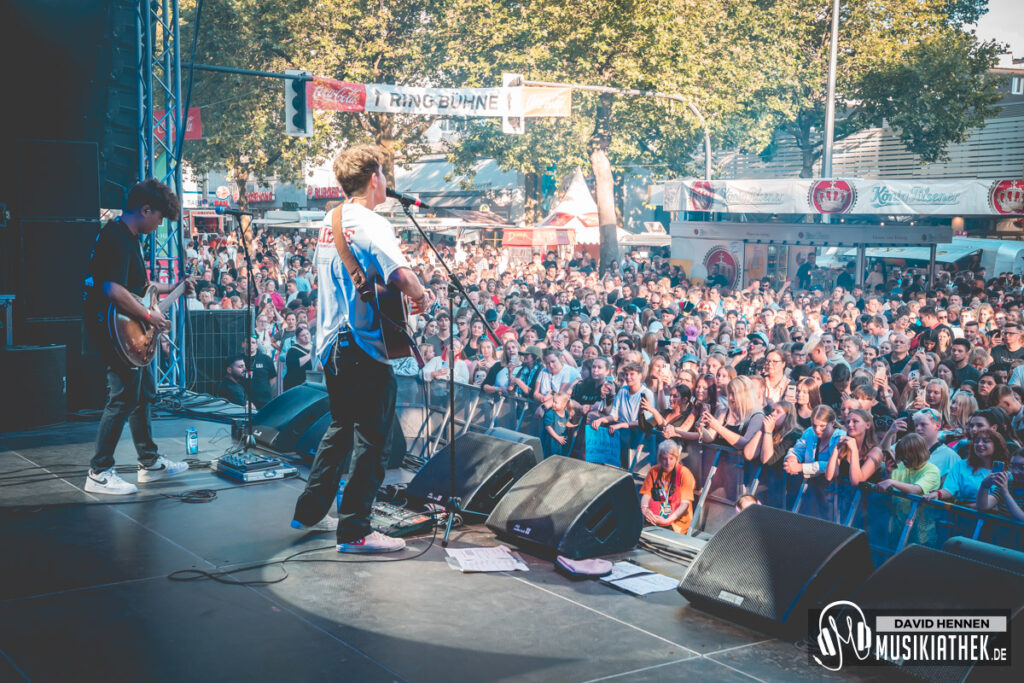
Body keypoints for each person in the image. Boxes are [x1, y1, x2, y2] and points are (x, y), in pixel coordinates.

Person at [291, 144, 432, 553]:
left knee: (340, 429)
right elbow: (401, 275)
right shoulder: (372, 223)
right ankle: (355, 530)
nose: (387, 182)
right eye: (385, 175)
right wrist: (423, 296)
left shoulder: (330, 220)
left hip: (332, 347)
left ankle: (310, 511)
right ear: (375, 178)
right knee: (373, 440)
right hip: (363, 349)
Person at [81, 179, 192, 495]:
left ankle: (150, 463)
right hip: (114, 333)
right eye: (158, 217)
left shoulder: (127, 237)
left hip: (123, 329)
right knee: (122, 398)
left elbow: (139, 287)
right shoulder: (116, 238)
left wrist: (175, 288)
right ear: (145, 209)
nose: (159, 225)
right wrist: (148, 316)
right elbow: (112, 289)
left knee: (140, 395)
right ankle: (99, 471)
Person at [639, 440, 695, 533]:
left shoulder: (684, 473)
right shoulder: (654, 471)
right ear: (659, 458)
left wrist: (666, 520)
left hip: (675, 524)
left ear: (676, 458)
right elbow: (646, 494)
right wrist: (644, 509)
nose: (668, 462)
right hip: (654, 520)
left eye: (671, 458)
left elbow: (685, 504)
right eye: (664, 458)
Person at [284, 326, 314, 391]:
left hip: (311, 382)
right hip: (295, 383)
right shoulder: (293, 350)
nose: (306, 336)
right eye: (303, 335)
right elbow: (293, 365)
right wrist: (310, 355)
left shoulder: (315, 347)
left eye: (307, 334)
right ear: (297, 338)